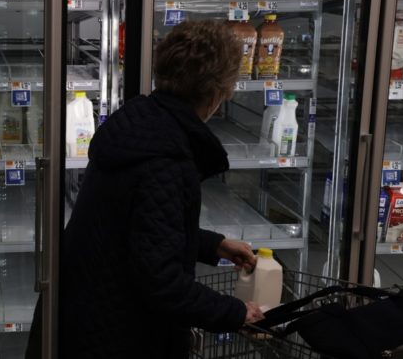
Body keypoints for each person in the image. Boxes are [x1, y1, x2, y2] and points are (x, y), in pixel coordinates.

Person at [26, 20, 265, 358]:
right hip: (115, 332)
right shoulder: (166, 159)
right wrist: (235, 313)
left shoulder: (139, 125)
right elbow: (161, 281)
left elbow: (135, 231)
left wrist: (213, 245)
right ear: (217, 93)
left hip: (83, 314)